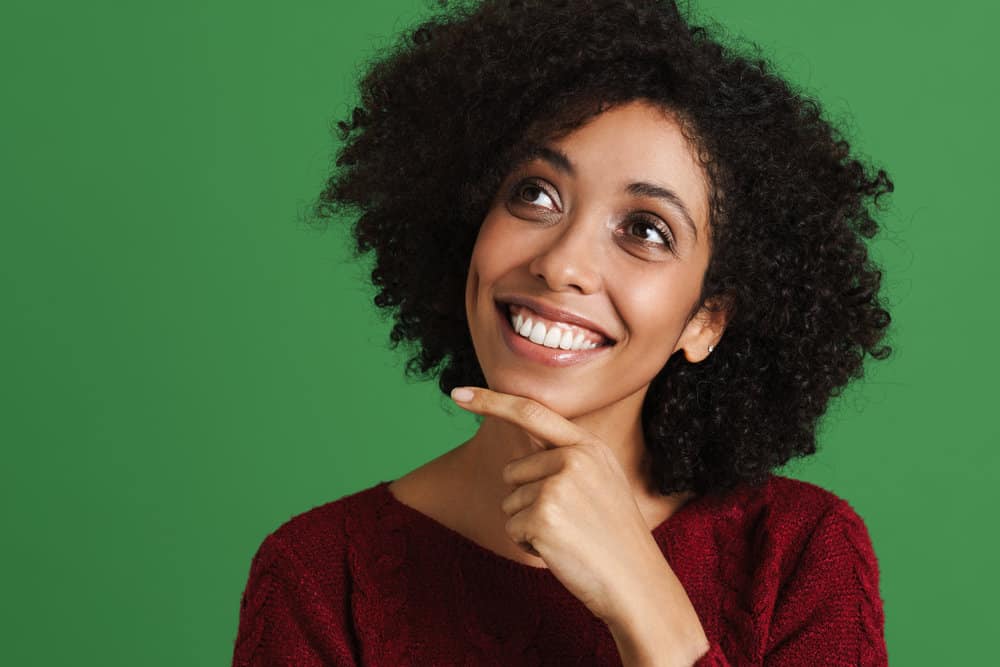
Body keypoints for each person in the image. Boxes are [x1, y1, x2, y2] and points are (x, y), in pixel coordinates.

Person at [231, 0, 894, 664]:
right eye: (536, 194)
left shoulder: (800, 553)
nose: (561, 264)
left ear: (705, 319)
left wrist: (644, 600)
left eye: (645, 230)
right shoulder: (322, 574)